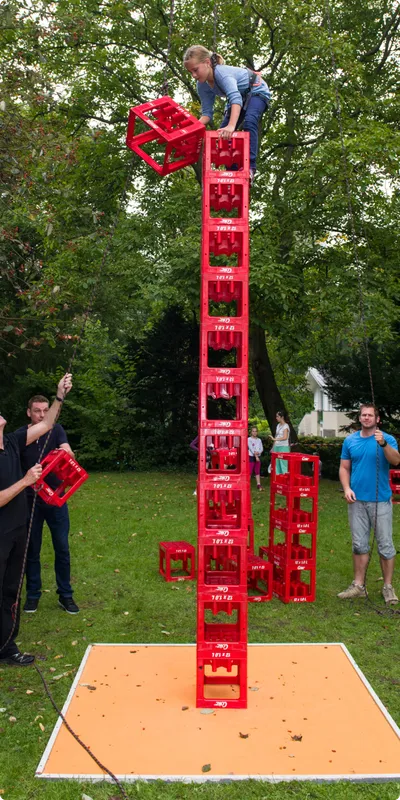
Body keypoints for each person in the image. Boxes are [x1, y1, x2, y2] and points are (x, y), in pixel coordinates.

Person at [0, 373, 72, 666]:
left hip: (18, 529)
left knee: (10, 591)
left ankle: (7, 646)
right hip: (1, 534)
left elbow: (46, 425)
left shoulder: (12, 442)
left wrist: (59, 396)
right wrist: (26, 481)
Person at [17, 394, 79, 616]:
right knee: (32, 550)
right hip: (30, 501)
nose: (42, 414)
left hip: (55, 500)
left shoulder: (56, 430)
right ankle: (33, 595)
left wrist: (67, 453)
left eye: (45, 410)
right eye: (37, 411)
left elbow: (67, 449)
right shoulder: (22, 436)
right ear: (29, 412)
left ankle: (66, 595)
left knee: (62, 548)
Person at [338, 403, 400, 605]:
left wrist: (383, 444)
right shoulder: (350, 441)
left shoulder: (386, 439)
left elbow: (396, 460)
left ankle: (388, 587)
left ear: (377, 419)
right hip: (357, 501)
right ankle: (358, 585)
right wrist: (347, 488)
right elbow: (344, 467)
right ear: (360, 418)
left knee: (385, 545)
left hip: (380, 501)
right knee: (359, 544)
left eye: (370, 415)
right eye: (363, 415)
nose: (366, 418)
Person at [183, 45, 271, 184]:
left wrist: (231, 126)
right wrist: (189, 130)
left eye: (195, 70)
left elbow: (235, 98)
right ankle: (233, 171)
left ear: (207, 63)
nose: (194, 75)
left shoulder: (221, 73)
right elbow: (206, 114)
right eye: (190, 72)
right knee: (221, 135)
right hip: (240, 98)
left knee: (249, 121)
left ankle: (250, 168)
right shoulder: (202, 85)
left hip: (256, 91)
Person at [248, 426, 263, 490]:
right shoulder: (249, 439)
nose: (254, 432)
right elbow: (251, 448)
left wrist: (258, 453)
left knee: (257, 471)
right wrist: (255, 455)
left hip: (258, 456)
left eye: (255, 431)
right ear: (251, 432)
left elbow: (261, 448)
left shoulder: (259, 440)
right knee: (249, 471)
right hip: (251, 456)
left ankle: (258, 484)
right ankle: (247, 484)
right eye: (253, 431)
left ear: (257, 432)